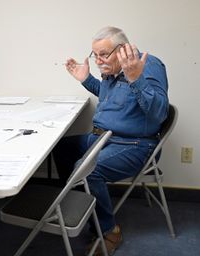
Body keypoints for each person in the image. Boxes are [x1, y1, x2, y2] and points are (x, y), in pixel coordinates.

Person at [53, 26, 169, 255]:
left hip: (134, 145)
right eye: (95, 55)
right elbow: (112, 97)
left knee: (87, 170)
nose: (98, 60)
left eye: (104, 54)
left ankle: (108, 230)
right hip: (101, 137)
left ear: (123, 48)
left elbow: (159, 113)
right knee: (60, 148)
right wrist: (86, 80)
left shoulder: (148, 64)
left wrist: (136, 78)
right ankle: (79, 206)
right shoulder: (112, 70)